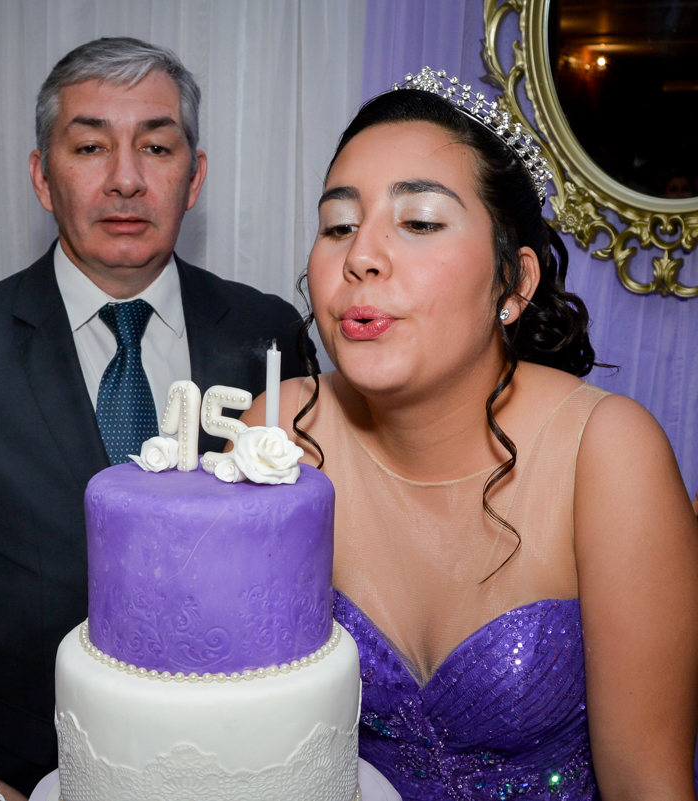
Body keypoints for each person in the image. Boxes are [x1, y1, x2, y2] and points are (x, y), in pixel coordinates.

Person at [0, 37, 316, 798]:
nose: (127, 179)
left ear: (194, 176)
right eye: (91, 146)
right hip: (25, 768)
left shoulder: (264, 334)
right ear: (42, 175)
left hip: (243, 761)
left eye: (158, 147)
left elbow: (306, 554)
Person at [238, 74, 698, 799]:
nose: (361, 256)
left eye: (418, 222)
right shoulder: (275, 433)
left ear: (514, 284)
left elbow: (648, 781)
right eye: (337, 225)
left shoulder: (607, 453)